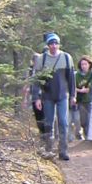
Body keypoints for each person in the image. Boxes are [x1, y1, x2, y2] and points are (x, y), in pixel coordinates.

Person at [30, 32, 77, 161]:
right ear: (48, 45)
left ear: (59, 44)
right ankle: (49, 149)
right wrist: (36, 98)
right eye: (51, 43)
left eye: (56, 43)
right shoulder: (42, 59)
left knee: (63, 122)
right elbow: (37, 80)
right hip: (47, 96)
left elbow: (71, 79)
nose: (54, 46)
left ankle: (63, 150)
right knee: (48, 123)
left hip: (62, 95)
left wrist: (73, 95)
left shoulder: (67, 58)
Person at [74, 56, 92, 140]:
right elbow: (72, 87)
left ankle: (89, 138)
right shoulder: (76, 75)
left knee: (90, 120)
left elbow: (89, 89)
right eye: (82, 64)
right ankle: (81, 136)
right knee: (81, 120)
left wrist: (80, 90)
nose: (84, 66)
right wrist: (80, 90)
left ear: (89, 65)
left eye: (85, 64)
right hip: (80, 101)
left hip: (90, 101)